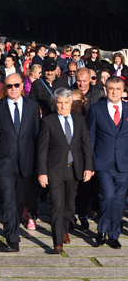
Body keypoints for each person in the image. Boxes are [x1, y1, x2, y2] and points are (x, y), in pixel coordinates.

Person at [37, 87, 93, 254]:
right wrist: (42, 172)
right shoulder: (48, 121)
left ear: (71, 103)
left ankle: (64, 227)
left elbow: (86, 146)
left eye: (66, 103)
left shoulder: (79, 120)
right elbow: (42, 149)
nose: (63, 106)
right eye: (60, 103)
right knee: (57, 205)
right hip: (55, 170)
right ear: (55, 103)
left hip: (74, 169)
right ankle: (57, 241)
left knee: (69, 205)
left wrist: (88, 167)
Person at [0, 74, 40, 253]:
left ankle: (14, 226)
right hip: (4, 161)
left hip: (26, 162)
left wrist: (38, 164)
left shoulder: (33, 107)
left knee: (19, 202)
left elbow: (36, 135)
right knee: (8, 200)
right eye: (9, 86)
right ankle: (12, 240)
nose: (13, 88)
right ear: (5, 87)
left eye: (16, 85)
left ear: (22, 86)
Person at [88, 76, 128, 249]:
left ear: (122, 91)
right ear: (105, 89)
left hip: (124, 164)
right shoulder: (96, 109)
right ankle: (101, 230)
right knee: (108, 196)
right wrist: (89, 164)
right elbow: (90, 137)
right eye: (111, 88)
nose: (114, 91)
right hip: (103, 163)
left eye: (117, 89)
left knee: (119, 200)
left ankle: (113, 235)